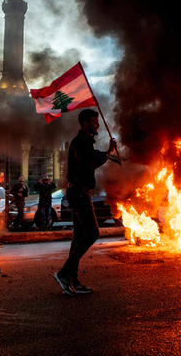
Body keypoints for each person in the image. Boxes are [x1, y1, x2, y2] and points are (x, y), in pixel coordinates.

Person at [54, 109, 117, 296]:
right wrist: (105, 154)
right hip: (78, 193)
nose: (97, 124)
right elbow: (89, 159)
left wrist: (107, 153)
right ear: (84, 123)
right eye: (93, 121)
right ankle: (64, 273)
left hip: (79, 191)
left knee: (79, 234)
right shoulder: (80, 141)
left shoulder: (85, 142)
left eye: (97, 121)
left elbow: (91, 163)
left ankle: (72, 280)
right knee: (92, 233)